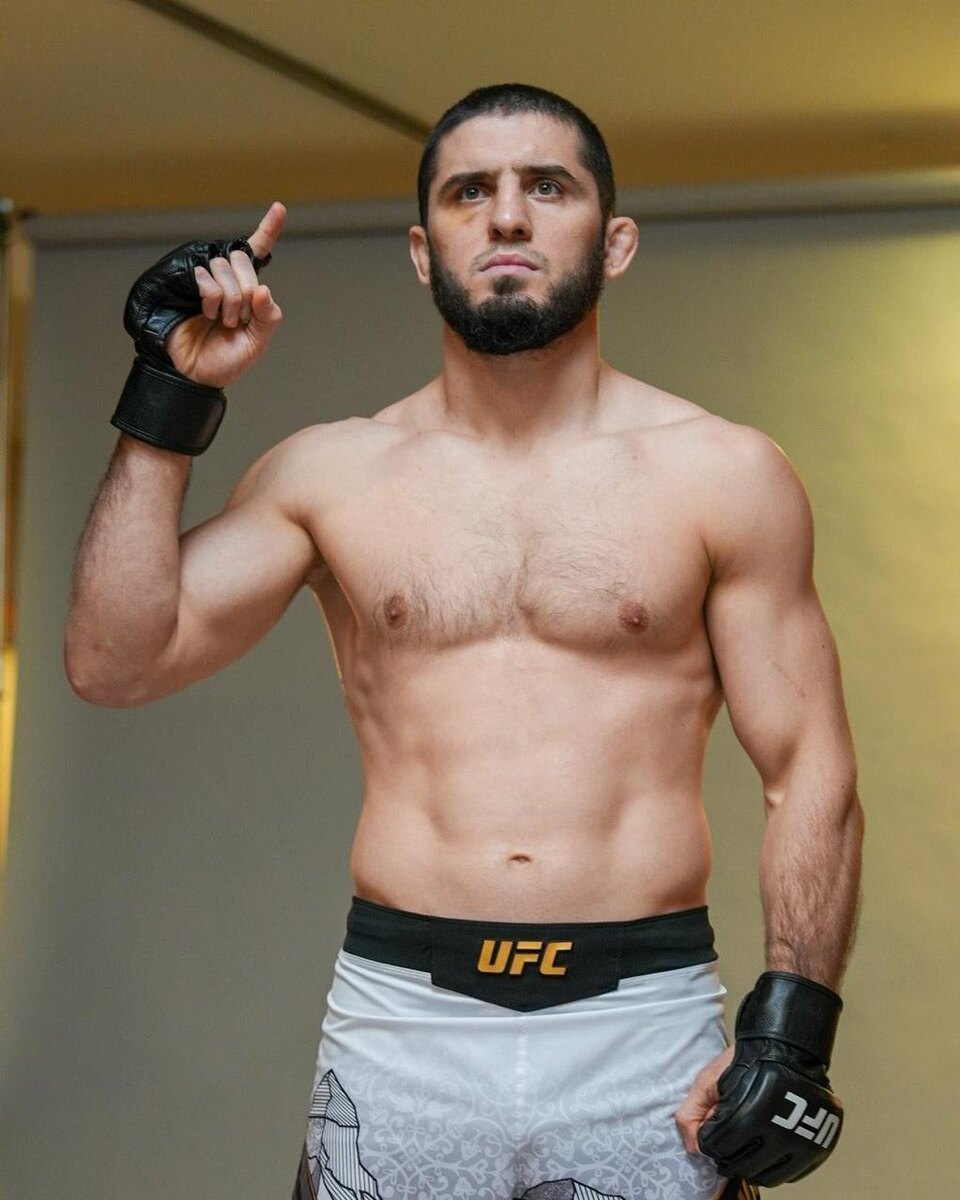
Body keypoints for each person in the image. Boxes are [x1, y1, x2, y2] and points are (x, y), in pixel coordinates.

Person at [64, 84, 863, 1200]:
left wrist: (791, 1033)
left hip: (644, 1030)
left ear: (616, 242)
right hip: (403, 1025)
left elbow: (808, 766)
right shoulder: (332, 473)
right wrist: (166, 392)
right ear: (422, 249)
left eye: (549, 187)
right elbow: (114, 660)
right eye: (469, 191)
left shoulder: (723, 474)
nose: (507, 215)